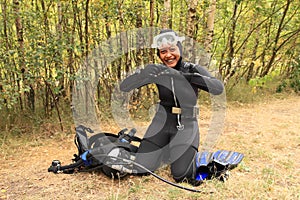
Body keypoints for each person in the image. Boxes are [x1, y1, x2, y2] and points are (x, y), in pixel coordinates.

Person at [119, 29, 224, 185]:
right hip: (161, 121)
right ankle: (165, 151)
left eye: (172, 49)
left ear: (179, 49)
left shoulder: (191, 69)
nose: (168, 55)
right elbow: (124, 87)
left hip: (186, 124)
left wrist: (184, 77)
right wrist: (143, 74)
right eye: (163, 51)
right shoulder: (158, 72)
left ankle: (205, 160)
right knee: (141, 169)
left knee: (182, 176)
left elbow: (218, 88)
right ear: (159, 54)